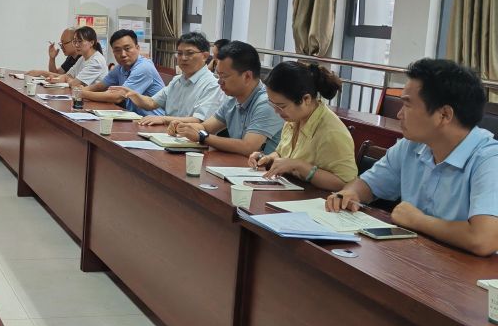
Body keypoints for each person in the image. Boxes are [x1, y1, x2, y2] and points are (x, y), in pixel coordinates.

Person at [325, 58, 498, 256]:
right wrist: (350, 194)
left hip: (470, 271)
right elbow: (368, 185)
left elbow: (483, 239)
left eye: (407, 105)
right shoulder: (412, 145)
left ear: (444, 115)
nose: (399, 114)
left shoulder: (489, 160)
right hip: (419, 257)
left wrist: (418, 221)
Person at [247, 61, 356, 190]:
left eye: (281, 106)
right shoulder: (294, 119)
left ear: (306, 99)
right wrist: (268, 158)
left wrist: (299, 166)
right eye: (272, 104)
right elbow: (284, 154)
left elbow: (346, 184)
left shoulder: (331, 132)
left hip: (319, 198)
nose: (276, 111)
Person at [169, 40, 282, 155]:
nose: (219, 81)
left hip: (261, 166)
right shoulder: (232, 99)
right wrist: (184, 127)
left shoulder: (267, 103)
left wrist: (202, 137)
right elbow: (206, 127)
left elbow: (249, 147)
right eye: (218, 75)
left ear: (247, 76)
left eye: (224, 76)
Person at [124, 31, 224, 126]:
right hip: (168, 133)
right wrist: (132, 94)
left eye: (189, 53)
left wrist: (163, 119)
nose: (183, 58)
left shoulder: (212, 85)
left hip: (191, 136)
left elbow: (200, 121)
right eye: (179, 53)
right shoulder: (177, 80)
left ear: (205, 56)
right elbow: (152, 103)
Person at [79, 29, 165, 114]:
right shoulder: (120, 68)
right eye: (117, 50)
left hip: (154, 120)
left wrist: (83, 94)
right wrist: (80, 90)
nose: (123, 54)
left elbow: (117, 97)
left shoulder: (144, 67)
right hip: (133, 116)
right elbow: (100, 86)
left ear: (137, 48)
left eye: (127, 48)